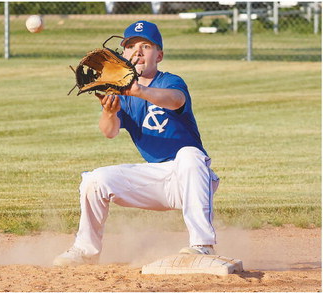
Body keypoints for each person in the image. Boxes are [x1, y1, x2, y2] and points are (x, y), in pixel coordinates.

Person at [53, 20, 220, 266]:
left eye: (146, 46)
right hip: (156, 179)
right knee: (94, 180)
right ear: (123, 55)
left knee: (189, 154)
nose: (138, 52)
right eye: (130, 46)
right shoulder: (120, 95)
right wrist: (109, 113)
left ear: (159, 55)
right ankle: (85, 251)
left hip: (194, 177)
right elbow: (109, 132)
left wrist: (138, 91)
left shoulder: (169, 82)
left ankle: (202, 245)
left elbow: (175, 100)